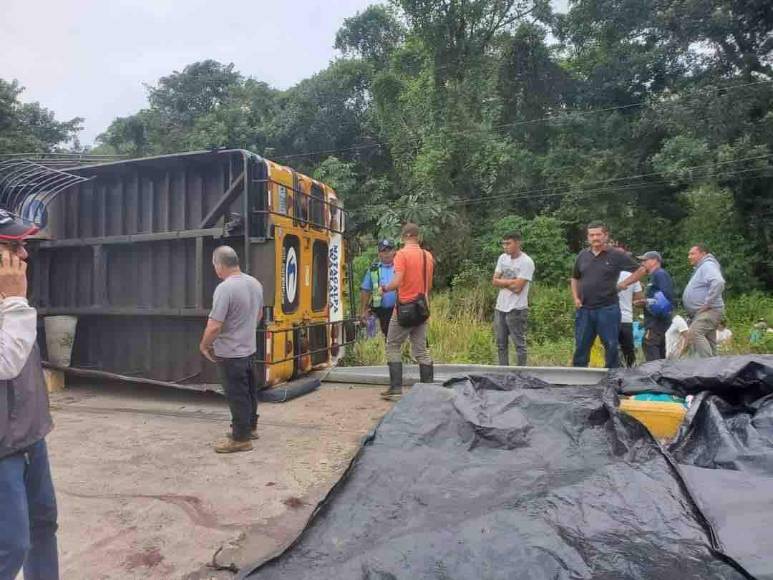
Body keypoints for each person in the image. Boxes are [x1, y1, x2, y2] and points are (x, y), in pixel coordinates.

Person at [0, 210, 60, 580]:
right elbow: (5, 362)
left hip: (31, 437)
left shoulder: (8, 301)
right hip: (2, 449)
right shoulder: (13, 302)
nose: (24, 255)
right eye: (13, 246)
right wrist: (15, 301)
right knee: (10, 546)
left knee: (43, 526)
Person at [199, 246, 264, 453]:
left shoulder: (225, 288)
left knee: (237, 395)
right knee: (249, 392)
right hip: (249, 349)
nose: (215, 269)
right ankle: (250, 428)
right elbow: (259, 315)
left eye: (214, 265)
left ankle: (240, 439)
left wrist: (204, 345)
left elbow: (214, 326)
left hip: (230, 353)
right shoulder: (254, 283)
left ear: (220, 264)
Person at [571, 222, 646, 368]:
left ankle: (612, 377)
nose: (595, 238)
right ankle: (578, 376)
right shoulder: (582, 255)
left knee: (611, 346)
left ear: (605, 236)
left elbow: (641, 270)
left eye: (598, 234)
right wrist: (575, 298)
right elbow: (575, 278)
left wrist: (625, 283)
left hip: (608, 309)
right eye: (592, 235)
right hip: (585, 309)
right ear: (588, 237)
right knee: (581, 346)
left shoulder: (616, 254)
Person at [380, 223, 434, 401]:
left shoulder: (401, 255)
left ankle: (396, 389)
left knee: (393, 345)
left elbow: (397, 281)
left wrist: (385, 288)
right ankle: (428, 392)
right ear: (418, 237)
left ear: (404, 236)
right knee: (421, 350)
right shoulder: (427, 256)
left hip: (404, 309)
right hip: (422, 308)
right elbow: (428, 286)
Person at [492, 231, 535, 366]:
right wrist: (511, 282)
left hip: (517, 308)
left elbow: (518, 288)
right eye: (503, 244)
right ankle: (503, 371)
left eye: (508, 243)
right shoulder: (502, 258)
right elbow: (494, 281)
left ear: (518, 243)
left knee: (519, 344)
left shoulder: (526, 262)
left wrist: (503, 282)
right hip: (500, 307)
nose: (505, 246)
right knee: (501, 343)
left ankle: (521, 373)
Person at [682, 244, 725, 358]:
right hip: (704, 312)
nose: (689, 257)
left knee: (694, 333)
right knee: (710, 342)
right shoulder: (702, 268)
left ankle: (707, 365)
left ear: (703, 254)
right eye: (689, 254)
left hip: (709, 310)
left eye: (692, 254)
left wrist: (707, 303)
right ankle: (716, 366)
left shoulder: (708, 265)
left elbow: (718, 282)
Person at [636, 251, 675, 361]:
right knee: (659, 350)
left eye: (645, 260)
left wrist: (646, 302)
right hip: (656, 321)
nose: (642, 263)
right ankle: (661, 371)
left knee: (650, 345)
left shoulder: (660, 274)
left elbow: (667, 296)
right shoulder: (654, 276)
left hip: (657, 321)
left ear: (655, 261)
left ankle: (654, 371)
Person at [359, 239, 398, 337]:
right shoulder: (373, 269)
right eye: (383, 251)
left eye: (389, 250)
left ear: (394, 251)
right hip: (379, 312)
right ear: (379, 253)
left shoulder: (400, 267)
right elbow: (366, 289)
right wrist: (363, 310)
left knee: (396, 340)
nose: (386, 253)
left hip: (398, 311)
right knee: (379, 340)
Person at [617, 270, 643, 367]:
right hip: (626, 318)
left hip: (609, 318)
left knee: (611, 350)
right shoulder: (633, 277)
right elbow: (639, 300)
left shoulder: (606, 273)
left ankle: (614, 371)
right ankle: (632, 372)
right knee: (628, 352)